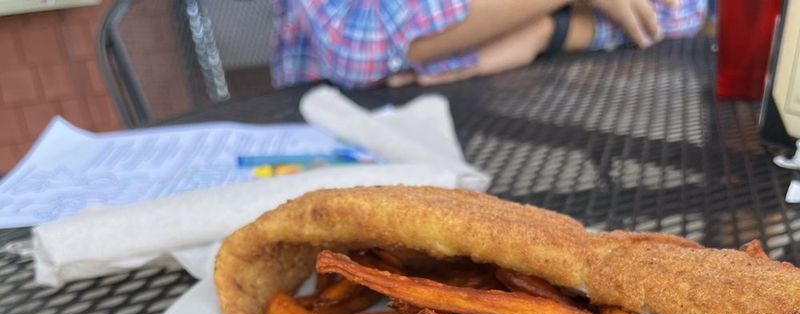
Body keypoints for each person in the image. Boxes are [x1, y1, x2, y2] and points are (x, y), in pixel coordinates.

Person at [270, 0, 709, 89]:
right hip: (331, 122)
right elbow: (359, 44)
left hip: (508, 99)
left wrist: (546, 31)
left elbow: (684, 11)